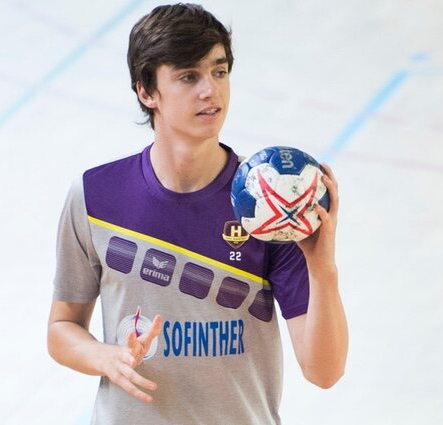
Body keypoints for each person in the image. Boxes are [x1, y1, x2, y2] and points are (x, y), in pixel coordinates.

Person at [47, 4, 348, 424]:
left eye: (219, 72)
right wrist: (105, 357)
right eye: (189, 76)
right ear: (146, 91)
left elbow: (324, 371)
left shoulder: (268, 206)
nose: (211, 90)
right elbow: (62, 328)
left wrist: (323, 269)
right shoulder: (96, 196)